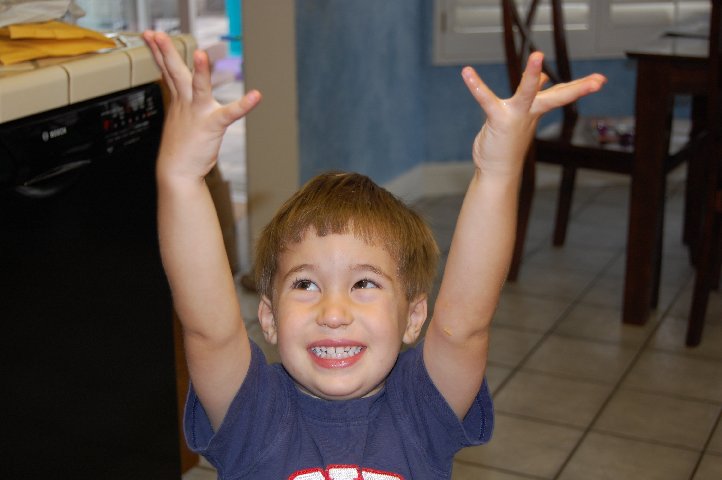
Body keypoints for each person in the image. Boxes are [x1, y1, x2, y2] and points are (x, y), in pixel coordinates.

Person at [143, 30, 605, 479]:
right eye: (305, 284)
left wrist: (498, 171)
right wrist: (181, 178)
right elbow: (210, 331)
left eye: (364, 283)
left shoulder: (421, 409)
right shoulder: (252, 414)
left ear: (413, 316)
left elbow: (463, 326)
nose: (333, 313)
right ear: (268, 316)